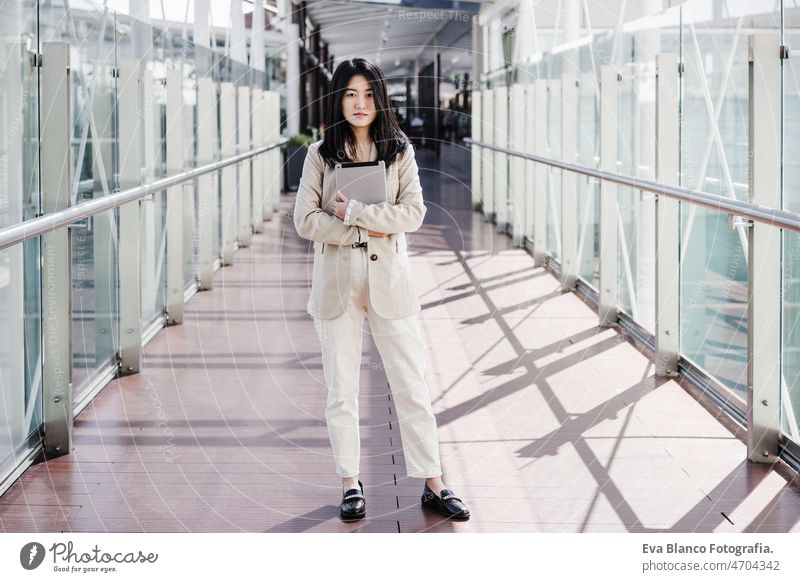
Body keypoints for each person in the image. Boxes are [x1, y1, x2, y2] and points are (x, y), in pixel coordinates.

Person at [293, 57, 471, 523]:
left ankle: (434, 482)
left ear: (380, 98)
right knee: (341, 389)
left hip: (390, 284)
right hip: (337, 287)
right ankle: (350, 482)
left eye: (368, 94)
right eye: (350, 94)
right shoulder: (320, 153)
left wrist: (353, 214)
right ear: (338, 99)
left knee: (411, 383)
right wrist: (364, 228)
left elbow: (413, 214)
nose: (359, 103)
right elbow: (303, 220)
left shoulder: (398, 151)